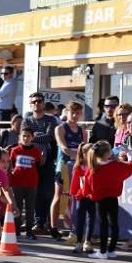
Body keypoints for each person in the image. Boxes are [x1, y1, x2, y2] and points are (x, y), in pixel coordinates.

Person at [85, 141, 132, 259]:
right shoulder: (115, 165)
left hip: (99, 199)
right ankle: (111, 250)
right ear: (107, 153)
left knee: (103, 224)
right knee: (114, 224)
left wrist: (89, 194)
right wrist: (128, 153)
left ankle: (103, 251)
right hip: (112, 198)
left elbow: (87, 187)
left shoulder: (92, 168)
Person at [22, 92, 60, 234]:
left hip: (48, 161)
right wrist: (36, 136)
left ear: (43, 103)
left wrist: (34, 136)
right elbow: (25, 136)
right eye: (34, 102)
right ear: (30, 105)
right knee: (35, 193)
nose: (37, 103)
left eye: (39, 101)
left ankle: (50, 223)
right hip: (31, 161)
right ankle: (37, 222)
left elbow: (50, 137)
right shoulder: (27, 120)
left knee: (48, 193)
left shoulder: (51, 120)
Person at [51, 101, 87, 240]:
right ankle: (53, 227)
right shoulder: (60, 128)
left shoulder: (82, 131)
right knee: (58, 196)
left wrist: (81, 159)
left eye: (78, 113)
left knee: (75, 197)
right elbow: (64, 148)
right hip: (63, 166)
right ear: (66, 112)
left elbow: (85, 150)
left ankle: (73, 226)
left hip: (77, 168)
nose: (75, 115)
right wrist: (77, 155)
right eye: (72, 112)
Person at [9, 127, 43, 240]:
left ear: (32, 137)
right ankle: (16, 229)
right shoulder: (15, 150)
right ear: (20, 137)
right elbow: (12, 166)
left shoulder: (36, 151)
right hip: (17, 183)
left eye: (28, 136)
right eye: (24, 136)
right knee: (17, 206)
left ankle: (29, 230)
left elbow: (37, 167)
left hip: (31, 184)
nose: (26, 138)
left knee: (30, 208)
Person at [69, 143, 96, 255]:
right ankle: (79, 242)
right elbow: (74, 184)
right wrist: (75, 194)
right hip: (81, 197)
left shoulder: (95, 167)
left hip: (92, 197)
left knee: (91, 219)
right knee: (80, 220)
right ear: (84, 154)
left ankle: (87, 242)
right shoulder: (79, 168)